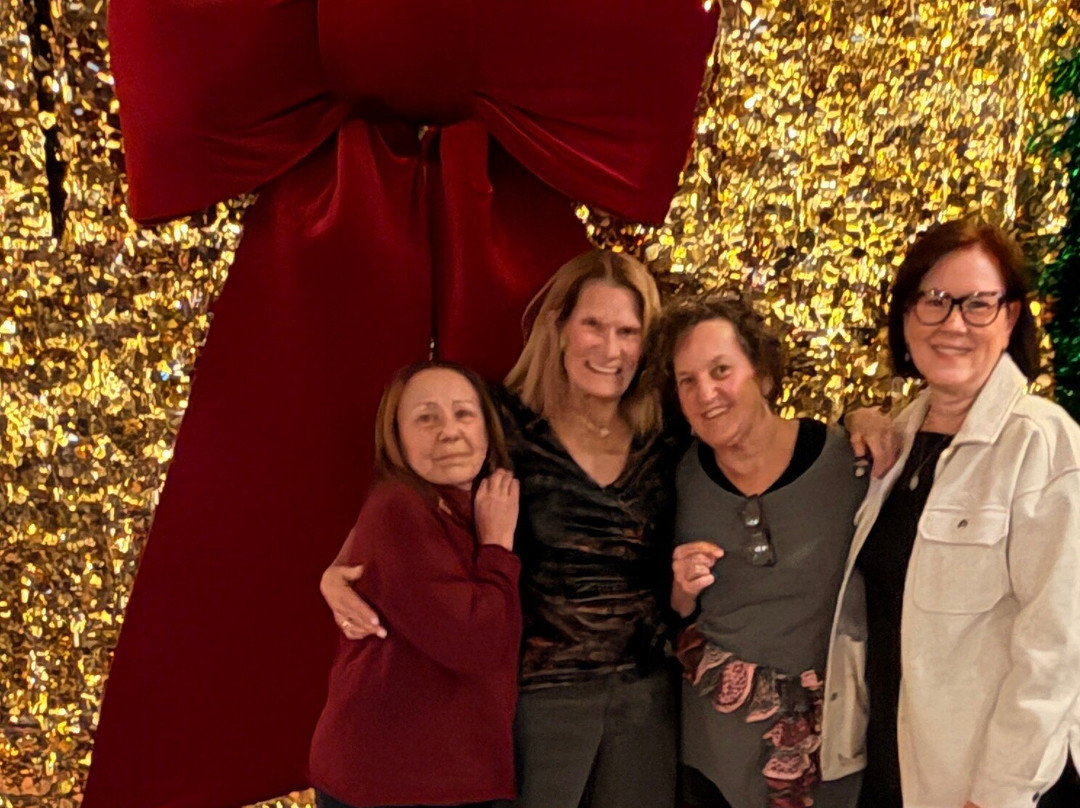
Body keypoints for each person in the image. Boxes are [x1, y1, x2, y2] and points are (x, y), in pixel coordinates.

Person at [323, 249, 682, 808]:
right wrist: (335, 575)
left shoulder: (667, 432)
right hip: (537, 698)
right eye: (593, 325)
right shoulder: (502, 422)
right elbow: (409, 503)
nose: (611, 349)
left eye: (628, 332)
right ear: (559, 327)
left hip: (646, 695)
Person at [821, 218, 1080, 808]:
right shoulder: (900, 438)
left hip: (992, 789)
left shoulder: (1044, 444)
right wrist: (856, 417)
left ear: (1010, 318)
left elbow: (1058, 651)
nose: (953, 323)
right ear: (906, 317)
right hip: (897, 769)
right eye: (934, 300)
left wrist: (997, 795)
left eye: (978, 304)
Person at [644, 295, 866, 808]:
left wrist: (870, 419)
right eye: (687, 380)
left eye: (721, 370)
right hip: (714, 759)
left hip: (836, 746)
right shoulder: (675, 477)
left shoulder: (850, 461)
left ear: (763, 374)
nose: (706, 393)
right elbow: (666, 611)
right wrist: (679, 592)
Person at [308, 361, 522, 808]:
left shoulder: (469, 503)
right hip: (393, 782)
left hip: (439, 775)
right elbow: (477, 642)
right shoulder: (399, 507)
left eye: (464, 414)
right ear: (397, 437)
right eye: (426, 418)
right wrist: (498, 546)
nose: (449, 432)